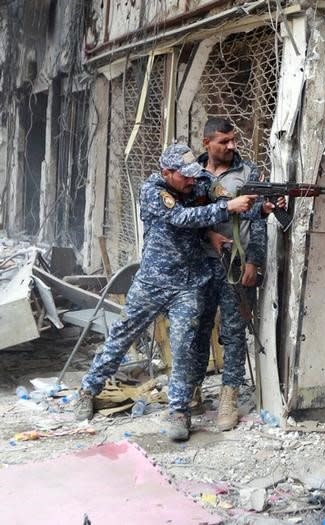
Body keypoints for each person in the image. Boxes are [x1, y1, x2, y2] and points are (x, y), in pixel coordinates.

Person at [73, 143, 257, 442]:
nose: (191, 181)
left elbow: (228, 199)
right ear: (167, 173)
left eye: (193, 175)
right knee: (123, 334)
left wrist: (262, 206)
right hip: (154, 282)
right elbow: (183, 218)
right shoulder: (153, 191)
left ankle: (179, 410)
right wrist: (224, 210)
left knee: (184, 345)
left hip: (191, 283)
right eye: (183, 176)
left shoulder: (198, 183)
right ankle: (88, 389)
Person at [190, 117, 284, 431]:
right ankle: (192, 391)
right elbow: (185, 217)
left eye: (233, 140)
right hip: (199, 265)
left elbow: (257, 221)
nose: (231, 146)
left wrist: (253, 262)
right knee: (196, 330)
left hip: (235, 265)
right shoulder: (192, 173)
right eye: (223, 141)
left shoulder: (248, 173)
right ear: (207, 143)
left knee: (233, 332)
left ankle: (229, 396)